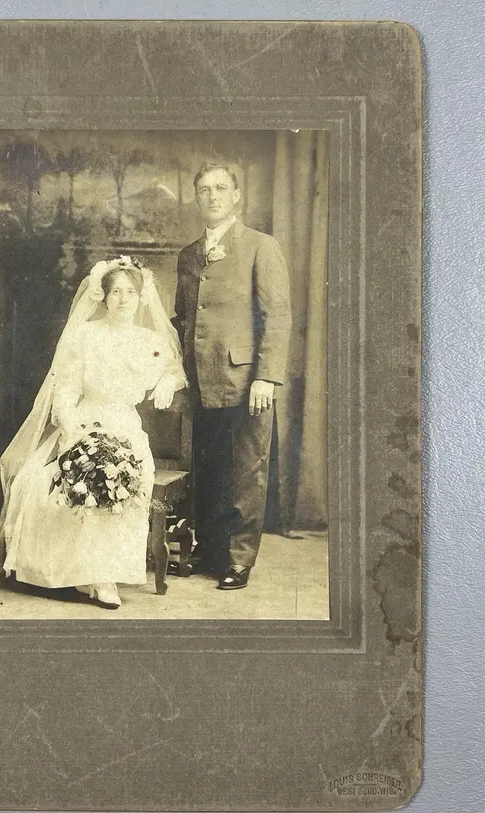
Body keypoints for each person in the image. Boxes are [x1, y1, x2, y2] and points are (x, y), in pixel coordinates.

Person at [0, 257, 187, 609]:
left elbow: (174, 367)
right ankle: (90, 575)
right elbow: (65, 391)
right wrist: (71, 427)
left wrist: (167, 380)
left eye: (131, 292)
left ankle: (105, 573)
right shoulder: (85, 335)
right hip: (86, 421)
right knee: (45, 484)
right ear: (102, 295)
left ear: (141, 297)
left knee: (127, 478)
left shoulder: (150, 340)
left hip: (126, 426)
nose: (124, 299)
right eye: (116, 291)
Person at [173, 163, 291, 590]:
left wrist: (267, 378)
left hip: (247, 382)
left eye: (221, 188)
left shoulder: (261, 246)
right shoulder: (188, 255)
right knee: (208, 468)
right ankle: (208, 550)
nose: (212, 196)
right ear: (196, 197)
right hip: (201, 380)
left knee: (246, 470)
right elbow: (183, 317)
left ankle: (239, 560)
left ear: (237, 195)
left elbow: (276, 316)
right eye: (203, 189)